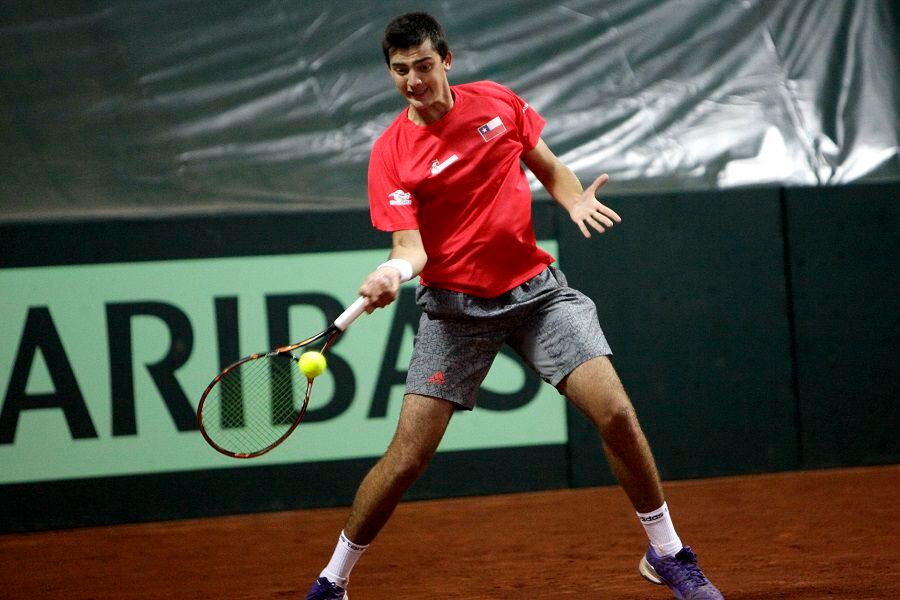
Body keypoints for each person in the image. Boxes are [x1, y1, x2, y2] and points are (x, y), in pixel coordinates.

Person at [305, 12, 723, 600]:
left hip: (537, 295)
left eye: (423, 66)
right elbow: (411, 247)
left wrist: (573, 199)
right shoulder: (390, 154)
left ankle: (668, 553)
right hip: (455, 313)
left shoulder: (497, 103)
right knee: (404, 462)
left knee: (616, 414)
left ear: (445, 61)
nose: (413, 81)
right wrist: (392, 271)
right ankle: (333, 580)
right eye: (400, 70)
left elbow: (547, 164)